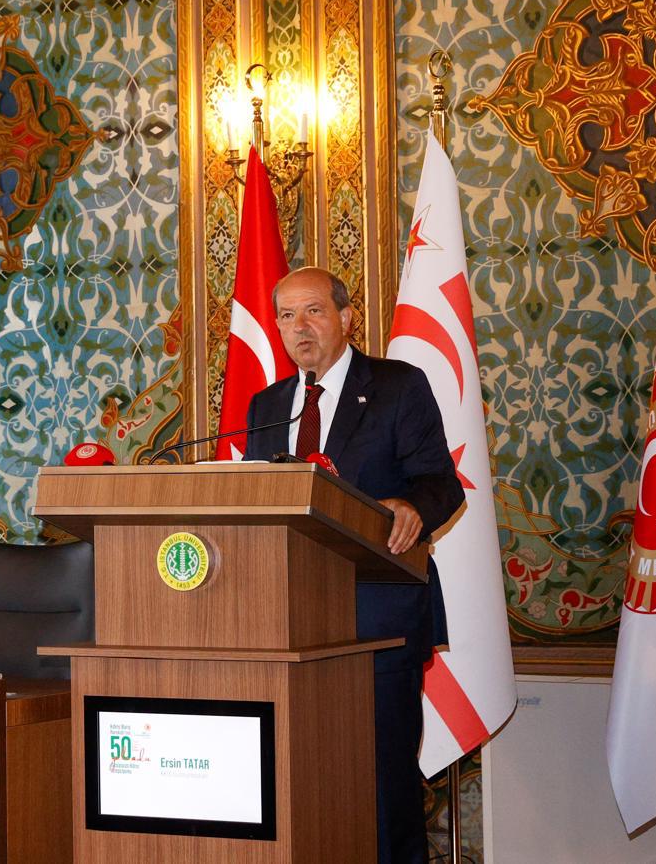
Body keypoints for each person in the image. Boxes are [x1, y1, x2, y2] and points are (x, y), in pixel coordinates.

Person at [243, 266, 464, 864]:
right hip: (286, 623)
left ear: (345, 317)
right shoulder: (266, 405)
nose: (299, 326)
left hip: (377, 617)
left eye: (313, 311)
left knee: (383, 787)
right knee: (297, 783)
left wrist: (412, 507)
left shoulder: (397, 386)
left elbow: (441, 483)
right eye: (286, 315)